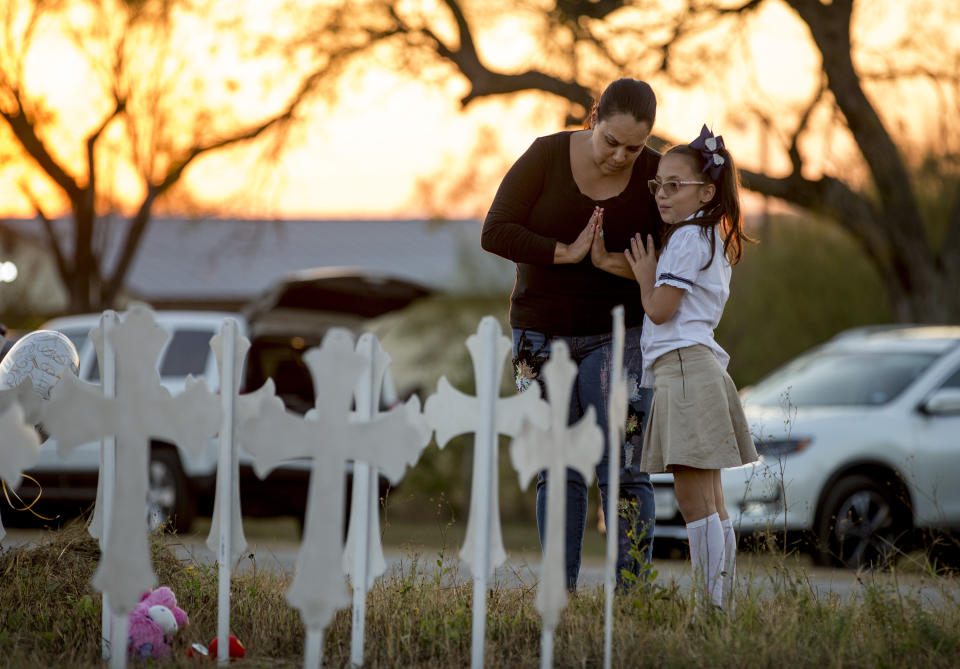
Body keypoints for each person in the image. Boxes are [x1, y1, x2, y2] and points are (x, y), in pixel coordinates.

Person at [481, 78, 662, 590]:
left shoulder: (654, 174)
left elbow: (673, 265)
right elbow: (495, 230)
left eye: (635, 146)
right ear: (593, 117)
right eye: (612, 141)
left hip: (620, 334)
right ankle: (559, 593)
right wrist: (564, 252)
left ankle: (632, 595)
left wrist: (610, 263)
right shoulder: (545, 155)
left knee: (624, 464)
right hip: (539, 336)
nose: (621, 156)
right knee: (557, 465)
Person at [623, 125, 758, 610]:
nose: (663, 194)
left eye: (674, 186)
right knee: (713, 500)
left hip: (683, 371)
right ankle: (719, 602)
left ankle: (710, 606)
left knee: (693, 499)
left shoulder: (686, 239)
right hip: (698, 368)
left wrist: (644, 278)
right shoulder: (712, 235)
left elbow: (659, 310)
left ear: (706, 191)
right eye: (658, 184)